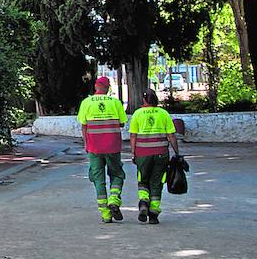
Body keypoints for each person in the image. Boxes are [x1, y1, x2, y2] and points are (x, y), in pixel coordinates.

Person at [76, 76, 126, 223]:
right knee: (117, 174)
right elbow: (122, 123)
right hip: (113, 146)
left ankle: (105, 213)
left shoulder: (86, 103)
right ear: (108, 87)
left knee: (98, 179)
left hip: (94, 147)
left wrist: (86, 144)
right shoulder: (115, 102)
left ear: (95, 87)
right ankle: (114, 199)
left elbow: (84, 126)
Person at [129, 89, 179, 224]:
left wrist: (134, 152)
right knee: (157, 182)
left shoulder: (138, 114)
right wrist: (177, 152)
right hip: (161, 154)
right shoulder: (163, 114)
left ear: (144, 100)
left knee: (143, 180)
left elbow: (133, 135)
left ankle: (144, 202)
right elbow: (171, 136)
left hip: (142, 154)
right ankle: (154, 213)